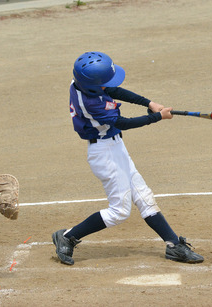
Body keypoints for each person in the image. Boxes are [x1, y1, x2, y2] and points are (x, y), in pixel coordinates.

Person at [52, 51, 203, 266]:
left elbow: (113, 89)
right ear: (93, 85)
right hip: (104, 155)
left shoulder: (81, 82)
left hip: (115, 147)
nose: (108, 85)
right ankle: (67, 236)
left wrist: (148, 102)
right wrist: (157, 117)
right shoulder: (92, 104)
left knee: (144, 196)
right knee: (120, 211)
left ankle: (173, 245)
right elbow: (124, 123)